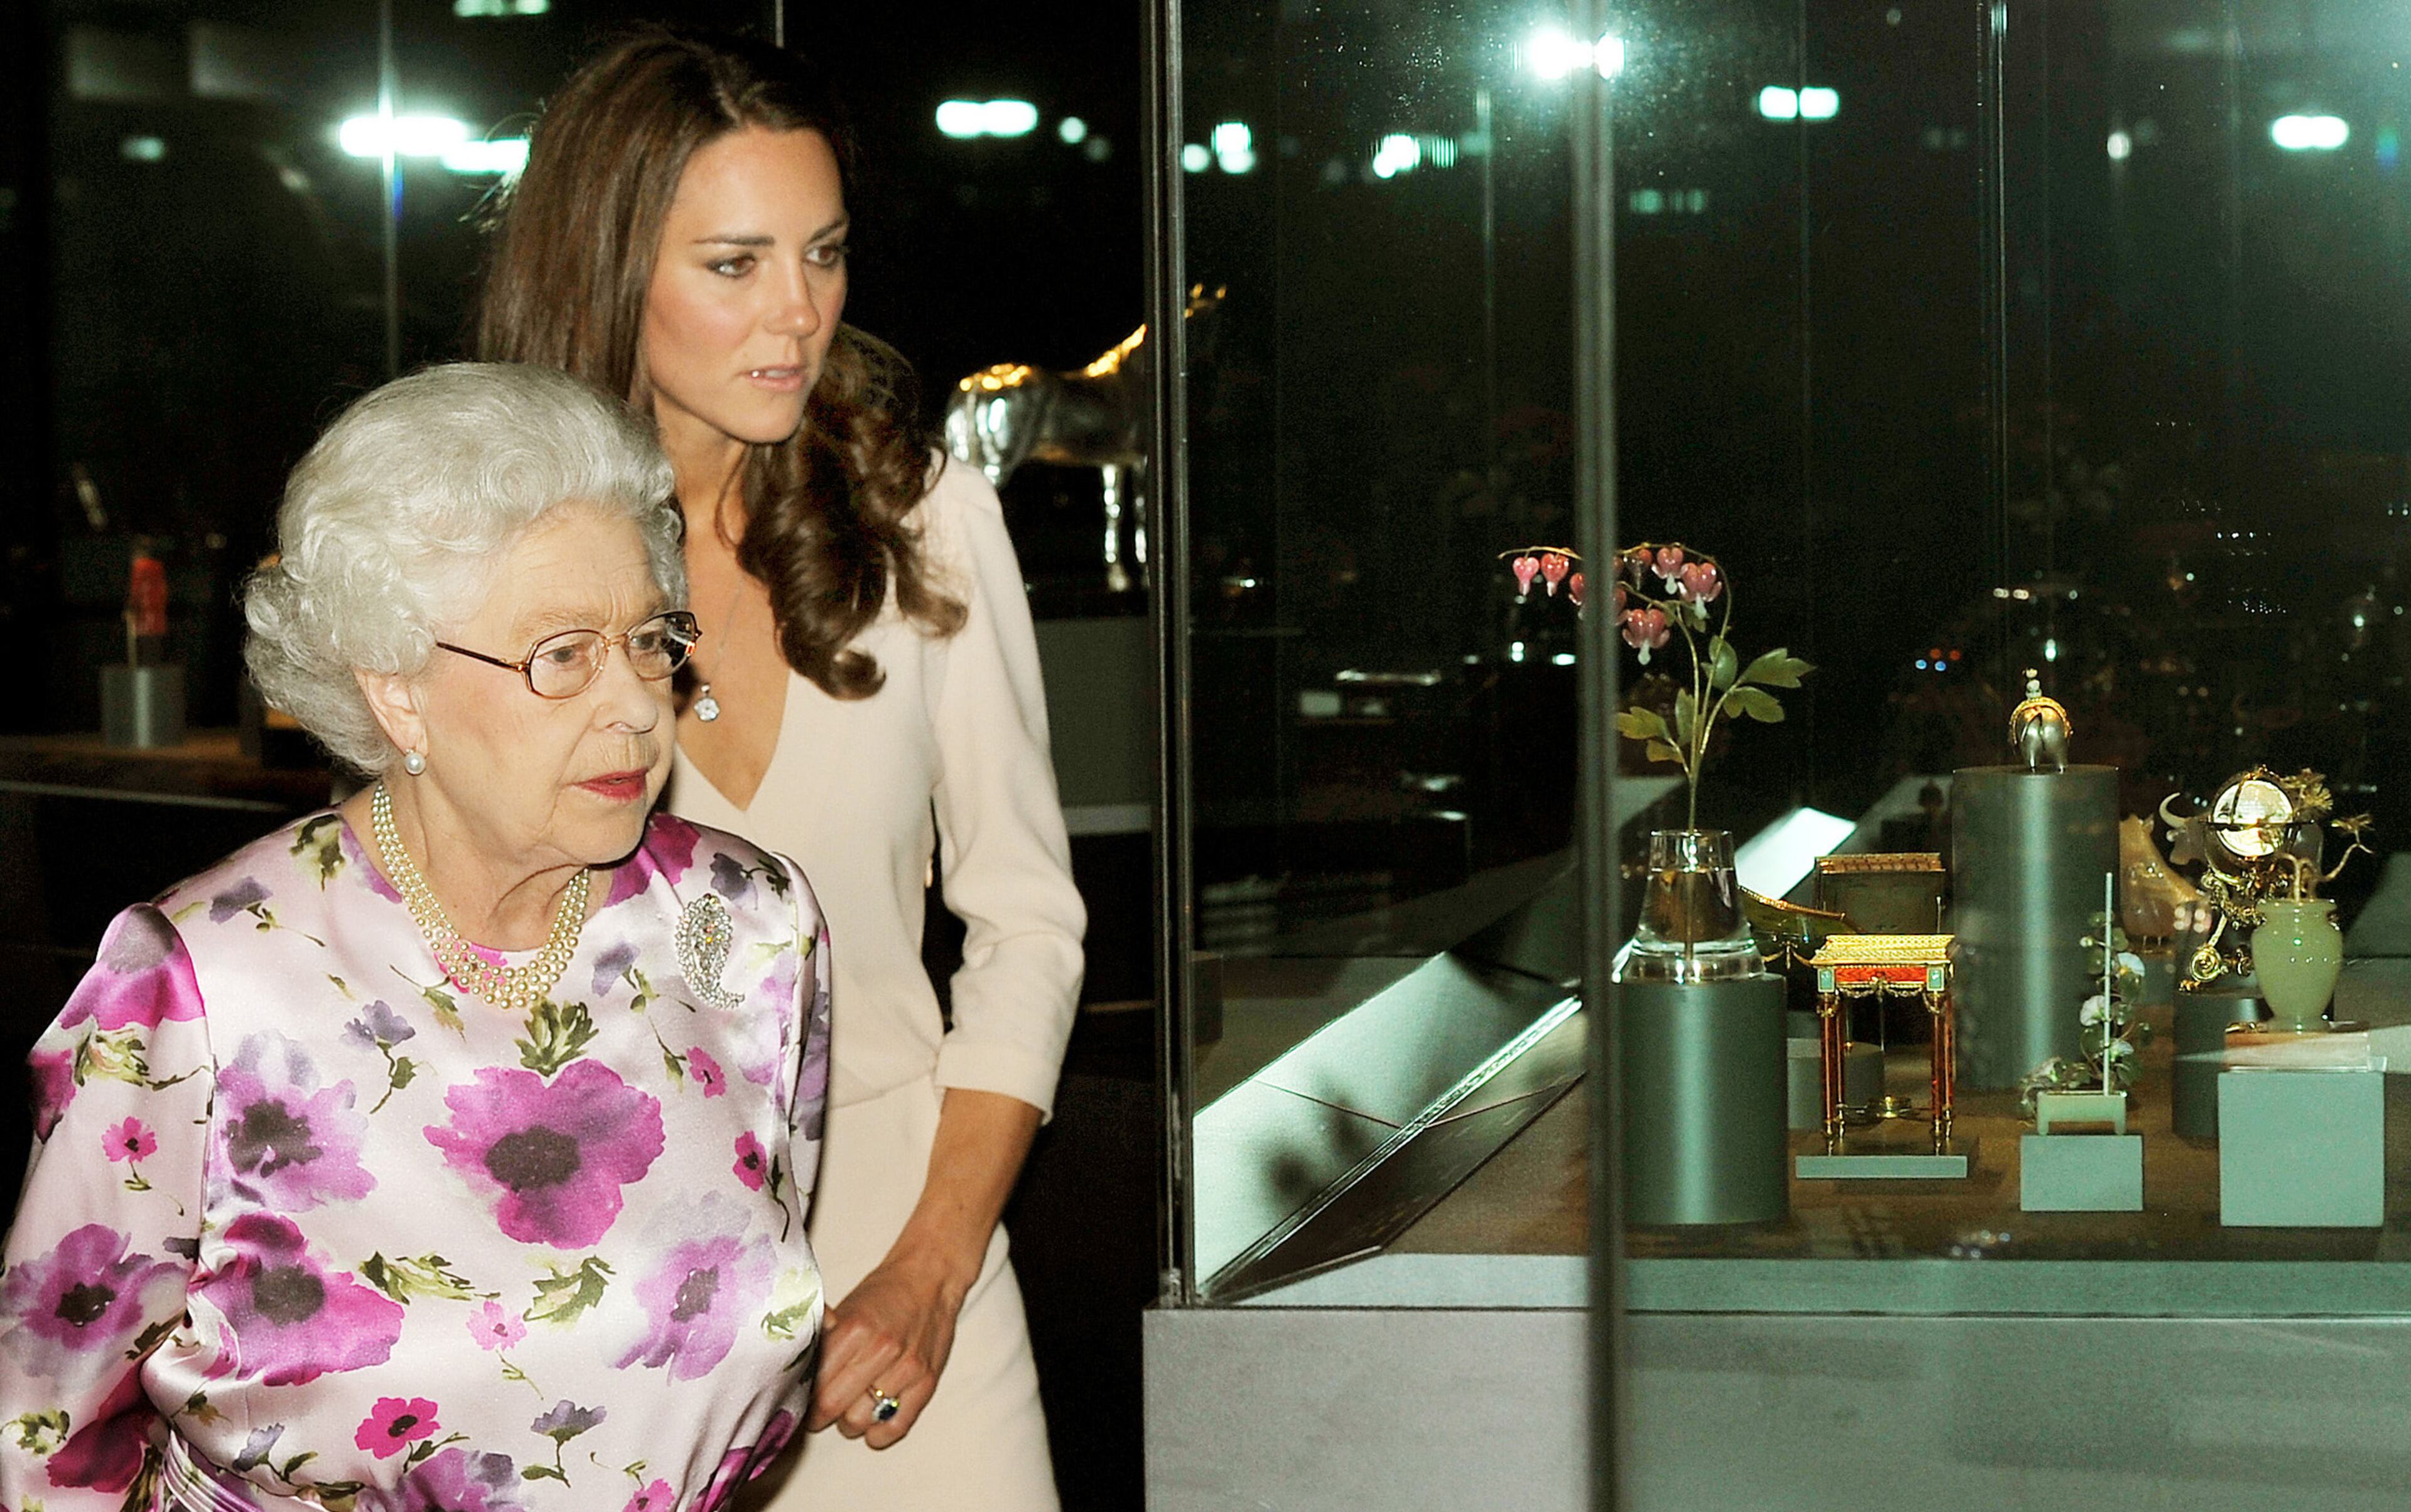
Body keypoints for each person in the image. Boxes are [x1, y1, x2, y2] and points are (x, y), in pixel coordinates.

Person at [0, 363, 834, 1512]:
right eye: (563, 654)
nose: (639, 704)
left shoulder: (748, 928)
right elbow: (41, 1434)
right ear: (397, 690)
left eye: (650, 639)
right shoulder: (202, 985)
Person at [478, 28, 1084, 1508]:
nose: (799, 313)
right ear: (614, 272)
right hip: (595, 1285)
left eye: (823, 253)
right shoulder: (487, 556)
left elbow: (1028, 921)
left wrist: (935, 1270)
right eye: (736, 264)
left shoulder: (922, 516)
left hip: (910, 1253)